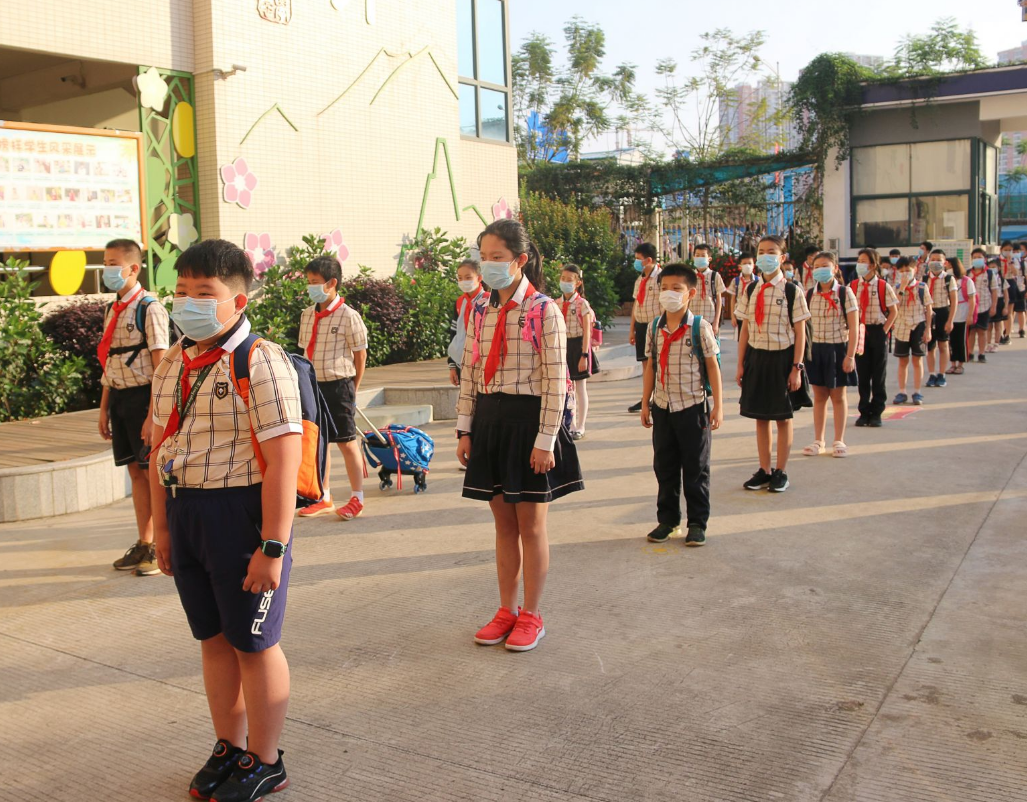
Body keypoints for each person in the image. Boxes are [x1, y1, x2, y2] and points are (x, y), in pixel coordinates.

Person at [149, 239, 301, 802]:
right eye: (182, 292)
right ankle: (229, 747)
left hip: (242, 516)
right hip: (187, 511)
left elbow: (285, 459)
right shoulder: (173, 362)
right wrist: (163, 528)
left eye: (204, 293)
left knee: (254, 644)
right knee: (213, 640)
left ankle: (266, 760)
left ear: (238, 301)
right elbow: (158, 449)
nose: (188, 302)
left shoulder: (262, 360)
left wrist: (273, 546)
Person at [456, 218, 583, 653]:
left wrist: (546, 440)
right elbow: (471, 372)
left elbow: (555, 380)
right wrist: (465, 428)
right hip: (490, 422)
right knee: (502, 524)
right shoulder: (479, 310)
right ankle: (505, 611)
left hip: (530, 423)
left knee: (530, 525)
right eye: (484, 258)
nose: (489, 266)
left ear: (520, 260)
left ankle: (531, 614)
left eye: (497, 258)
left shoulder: (545, 310)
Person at [99, 238, 170, 577]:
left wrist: (153, 415)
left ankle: (160, 546)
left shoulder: (150, 308)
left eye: (113, 262)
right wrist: (103, 407)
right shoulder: (113, 308)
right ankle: (143, 542)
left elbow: (161, 364)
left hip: (145, 398)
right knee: (134, 472)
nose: (107, 269)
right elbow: (109, 364)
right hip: (120, 399)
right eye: (105, 262)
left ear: (133, 267)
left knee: (151, 472)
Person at [640, 264, 723, 546]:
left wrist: (718, 406)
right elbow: (650, 366)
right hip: (663, 407)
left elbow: (712, 368)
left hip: (692, 407)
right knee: (665, 466)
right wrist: (645, 403)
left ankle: (697, 523)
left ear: (691, 293)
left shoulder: (700, 328)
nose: (669, 294)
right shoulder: (654, 328)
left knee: (696, 468)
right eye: (664, 288)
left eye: (676, 289)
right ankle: (668, 520)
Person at [734, 235, 811, 493]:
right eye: (761, 251)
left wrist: (796, 368)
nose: (765, 256)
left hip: (783, 359)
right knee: (760, 417)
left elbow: (800, 332)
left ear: (782, 257)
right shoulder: (750, 289)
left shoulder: (791, 291)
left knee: (782, 417)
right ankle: (764, 470)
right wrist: (741, 364)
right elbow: (744, 328)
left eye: (772, 252)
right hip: (757, 357)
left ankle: (781, 471)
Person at [297, 255, 369, 521]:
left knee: (347, 442)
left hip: (339, 385)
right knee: (319, 443)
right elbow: (305, 350)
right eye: (308, 282)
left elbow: (360, 355)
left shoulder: (349, 316)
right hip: (313, 386)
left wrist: (353, 388)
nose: (311, 287)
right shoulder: (307, 314)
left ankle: (357, 496)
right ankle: (323, 495)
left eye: (315, 282)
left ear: (332, 283)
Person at [802, 252, 858, 459]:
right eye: (817, 266)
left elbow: (853, 327)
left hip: (838, 349)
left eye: (825, 266)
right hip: (816, 350)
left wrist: (850, 355)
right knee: (819, 396)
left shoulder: (845, 293)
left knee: (838, 396)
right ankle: (819, 440)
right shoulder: (808, 294)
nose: (821, 270)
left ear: (835, 268)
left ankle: (839, 440)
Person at [851, 248, 898, 428]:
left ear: (872, 264)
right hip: (861, 331)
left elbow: (893, 310)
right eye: (859, 260)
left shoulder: (882, 286)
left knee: (878, 374)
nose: (860, 264)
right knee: (862, 374)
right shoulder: (854, 285)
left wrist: (884, 330)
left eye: (864, 261)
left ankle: (877, 411)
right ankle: (863, 411)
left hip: (878, 330)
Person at [559, 263, 598, 440]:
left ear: (578, 283)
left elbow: (587, 332)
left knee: (580, 387)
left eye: (569, 280)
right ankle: (570, 424)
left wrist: (584, 355)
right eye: (562, 279)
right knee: (568, 389)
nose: (565, 282)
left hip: (578, 346)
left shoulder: (582, 304)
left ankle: (581, 426)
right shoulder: (556, 303)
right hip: (562, 346)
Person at [891, 257, 933, 406]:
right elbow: (895, 306)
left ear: (915, 270)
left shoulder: (922, 287)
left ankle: (917, 391)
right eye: (901, 271)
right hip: (902, 327)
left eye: (907, 271)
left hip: (918, 325)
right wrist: (902, 288)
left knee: (917, 360)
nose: (904, 274)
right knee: (902, 361)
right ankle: (902, 391)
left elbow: (928, 309)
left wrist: (928, 329)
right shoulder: (895, 288)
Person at [627, 242, 662, 413]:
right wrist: (632, 328)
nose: (636, 262)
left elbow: (664, 304)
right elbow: (636, 303)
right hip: (641, 325)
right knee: (644, 362)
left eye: (638, 259)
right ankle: (646, 398)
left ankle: (658, 398)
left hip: (655, 326)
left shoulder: (661, 278)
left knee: (656, 362)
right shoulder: (640, 278)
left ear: (649, 260)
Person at [447, 258, 486, 387]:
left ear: (479, 278)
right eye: (460, 278)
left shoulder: (488, 301)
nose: (464, 281)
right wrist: (452, 366)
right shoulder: (459, 302)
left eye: (468, 277)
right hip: (461, 361)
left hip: (482, 363)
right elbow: (454, 334)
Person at [924, 249, 957, 388]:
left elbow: (954, 301)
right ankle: (932, 374)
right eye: (933, 259)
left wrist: (950, 320)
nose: (935, 262)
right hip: (928, 313)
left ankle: (942, 374)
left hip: (943, 311)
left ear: (945, 263)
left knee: (943, 345)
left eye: (939, 260)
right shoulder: (925, 279)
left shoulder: (949, 279)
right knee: (930, 346)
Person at [688, 243, 725, 338]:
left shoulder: (715, 276)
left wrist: (716, 322)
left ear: (709, 258)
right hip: (693, 319)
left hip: (710, 319)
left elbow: (719, 300)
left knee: (711, 348)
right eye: (697, 255)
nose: (700, 257)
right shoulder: (690, 276)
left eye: (703, 255)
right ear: (693, 257)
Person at [968, 250, 999, 363]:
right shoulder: (968, 273)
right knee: (971, 331)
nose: (977, 259)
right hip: (971, 307)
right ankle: (970, 352)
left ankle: (981, 353)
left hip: (985, 305)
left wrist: (994, 306)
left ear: (984, 259)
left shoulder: (989, 273)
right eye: (975, 257)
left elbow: (994, 291)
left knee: (982, 331)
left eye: (979, 257)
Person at [946, 256, 975, 376]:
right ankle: (952, 363)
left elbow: (972, 298)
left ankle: (960, 364)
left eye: (948, 265)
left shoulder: (967, 281)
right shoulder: (947, 280)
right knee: (951, 341)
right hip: (949, 314)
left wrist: (970, 315)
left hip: (962, 313)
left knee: (961, 340)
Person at [724, 252, 757, 339]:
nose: (747, 266)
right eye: (744, 263)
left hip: (754, 316)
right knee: (742, 339)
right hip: (740, 316)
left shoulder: (758, 281)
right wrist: (733, 316)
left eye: (749, 263)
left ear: (754, 265)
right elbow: (733, 299)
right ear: (740, 266)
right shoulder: (736, 281)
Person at [1013, 242, 1027, 338]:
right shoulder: (1007, 262)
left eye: (1019, 250)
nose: (1017, 252)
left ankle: (1021, 329)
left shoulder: (1023, 263)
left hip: (1021, 288)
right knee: (1011, 310)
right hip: (1010, 288)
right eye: (1014, 251)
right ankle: (1008, 328)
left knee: (1021, 310)